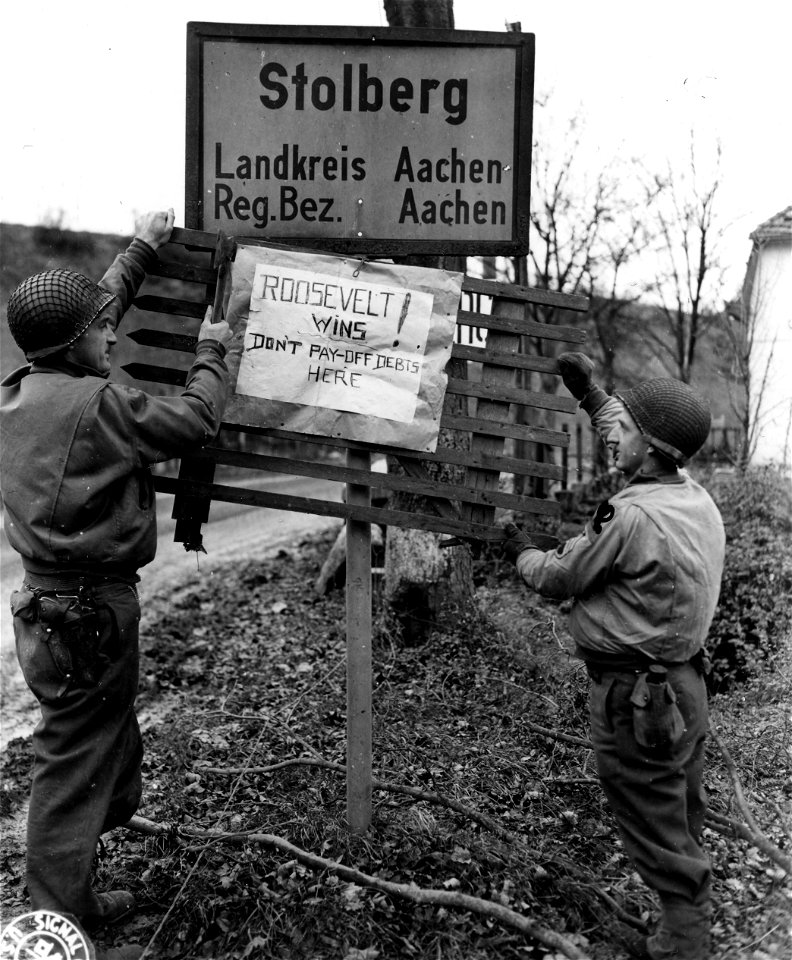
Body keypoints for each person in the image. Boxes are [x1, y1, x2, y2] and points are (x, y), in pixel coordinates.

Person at [0, 210, 233, 950]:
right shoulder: (97, 406)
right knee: (73, 762)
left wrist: (142, 245)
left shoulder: (21, 389)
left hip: (54, 611)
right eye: (102, 333)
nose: (113, 334)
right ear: (76, 347)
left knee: (102, 748)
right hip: (88, 613)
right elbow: (194, 419)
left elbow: (88, 308)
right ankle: (51, 924)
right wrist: (213, 351)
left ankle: (76, 892)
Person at [501, 353, 725, 960]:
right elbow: (628, 430)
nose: (610, 438)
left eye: (621, 430)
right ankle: (684, 921)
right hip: (684, 685)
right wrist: (593, 397)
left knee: (648, 811)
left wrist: (516, 548)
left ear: (649, 448)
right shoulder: (694, 498)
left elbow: (560, 576)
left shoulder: (628, 515)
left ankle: (683, 943)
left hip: (637, 698)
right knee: (678, 806)